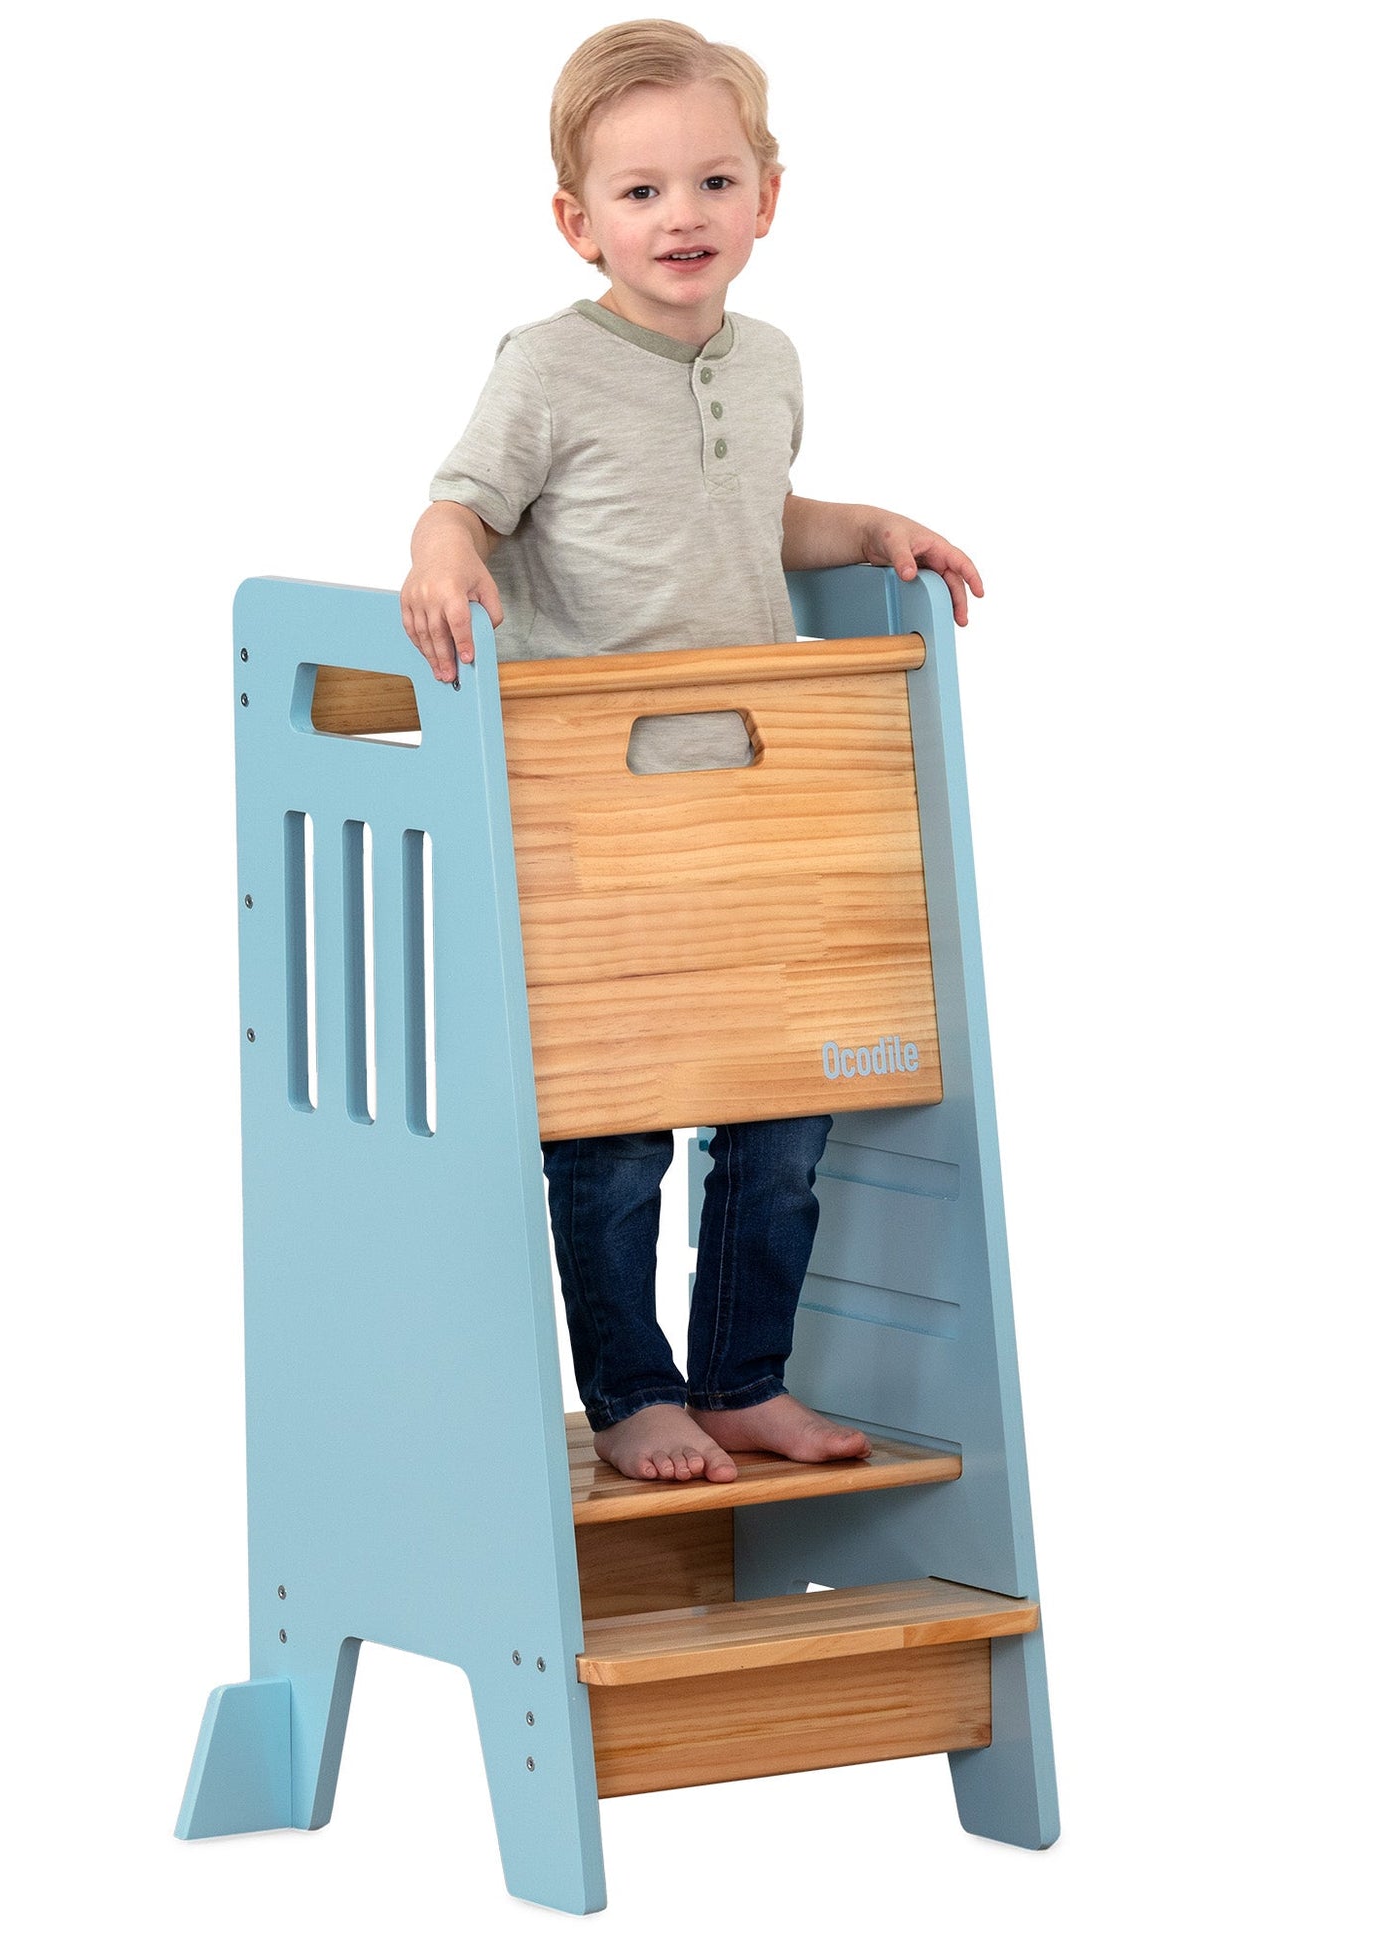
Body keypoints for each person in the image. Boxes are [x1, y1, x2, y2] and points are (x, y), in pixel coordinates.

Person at [400, 20, 982, 1487]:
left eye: (715, 182)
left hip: (755, 805)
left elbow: (753, 518)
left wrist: (868, 529)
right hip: (600, 815)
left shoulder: (768, 360)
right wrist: (440, 554)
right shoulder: (548, 365)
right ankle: (632, 1394)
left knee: (781, 1109)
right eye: (642, 191)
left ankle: (737, 1379)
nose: (682, 216)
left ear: (767, 199)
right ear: (576, 220)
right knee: (614, 1128)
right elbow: (466, 501)